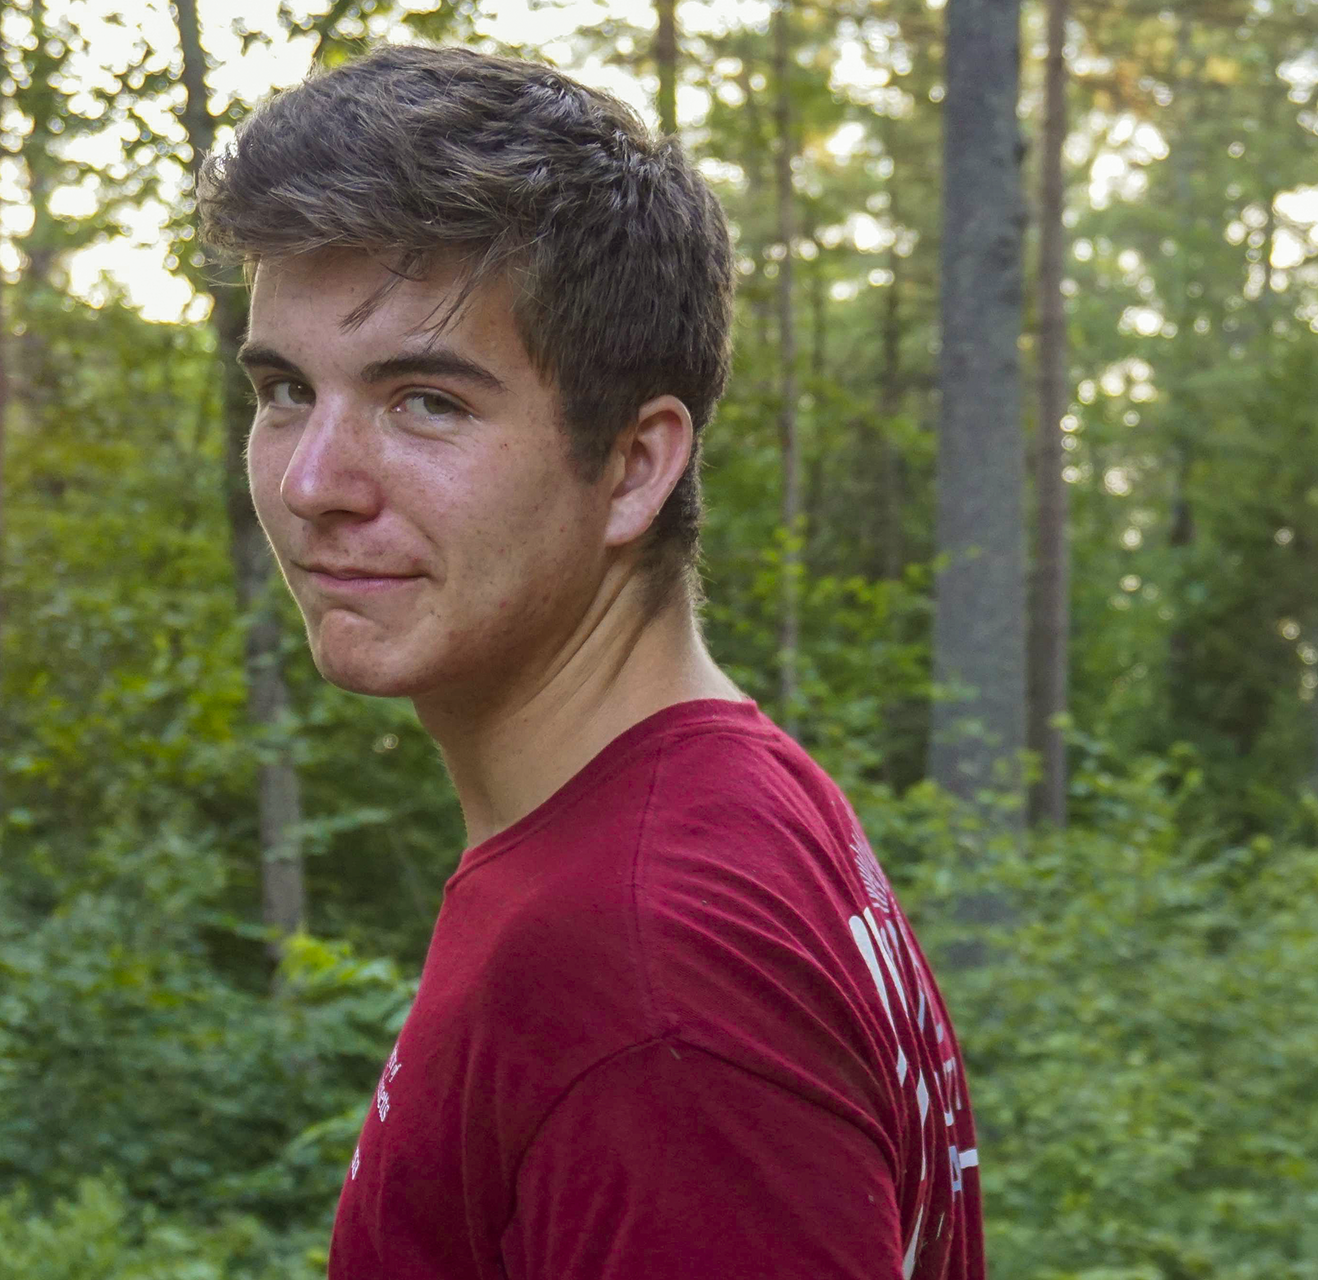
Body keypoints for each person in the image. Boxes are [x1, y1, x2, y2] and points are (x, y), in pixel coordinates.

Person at [198, 44, 984, 1280]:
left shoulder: (644, 968)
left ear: (632, 465)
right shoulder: (728, 802)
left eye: (427, 401)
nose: (311, 484)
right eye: (287, 388)